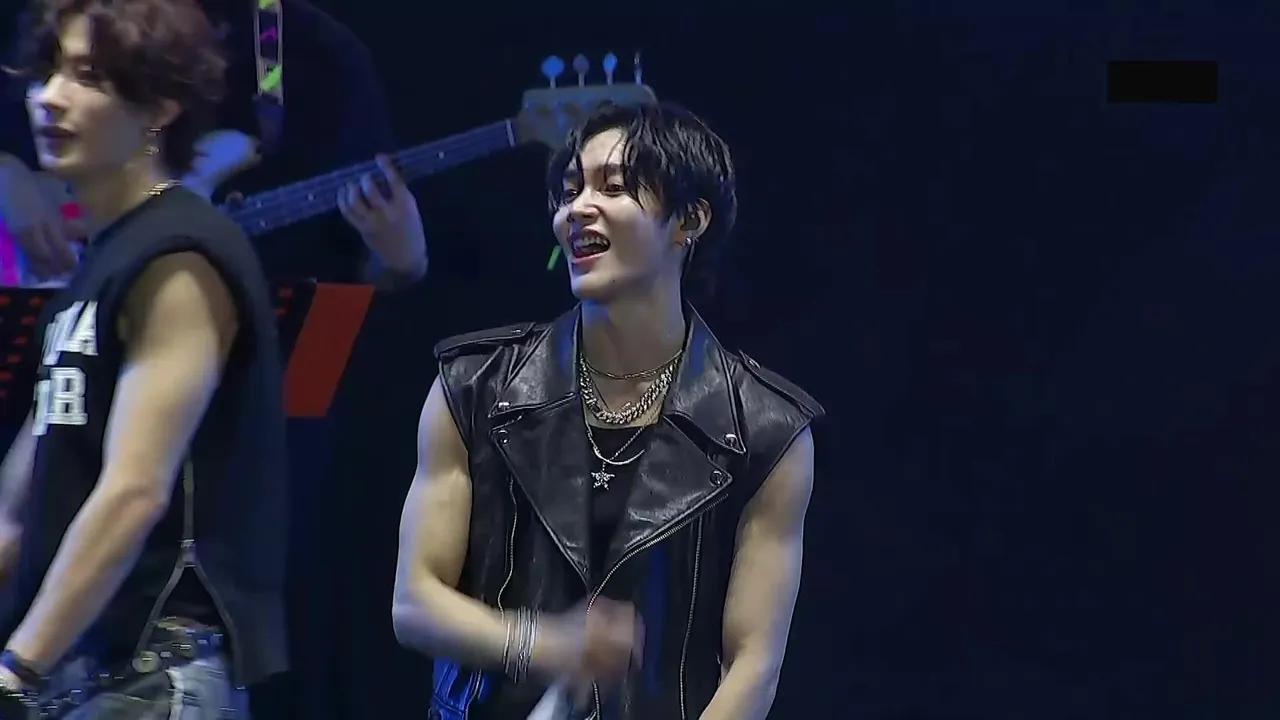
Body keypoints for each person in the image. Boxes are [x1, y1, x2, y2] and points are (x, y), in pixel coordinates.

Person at [392, 101, 824, 719]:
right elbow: (414, 602)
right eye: (570, 191)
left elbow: (754, 663)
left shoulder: (766, 430)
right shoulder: (473, 387)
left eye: (612, 187)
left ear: (689, 220)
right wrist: (543, 644)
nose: (577, 208)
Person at [0, 0, 288, 716]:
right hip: (81, 673)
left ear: (159, 107)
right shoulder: (95, 272)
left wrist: (17, 666)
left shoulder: (178, 257)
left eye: (87, 76)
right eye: (48, 72)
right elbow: (17, 507)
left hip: (157, 676)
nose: (49, 97)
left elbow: (134, 492)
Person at [0, 0, 428, 289]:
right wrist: (8, 174)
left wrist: (402, 261)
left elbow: (366, 271)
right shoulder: (72, 18)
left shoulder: (321, 52)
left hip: (253, 352)